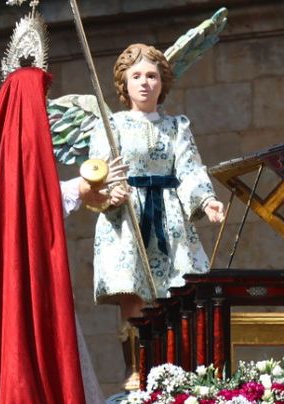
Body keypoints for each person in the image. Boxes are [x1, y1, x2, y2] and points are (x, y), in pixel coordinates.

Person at [82, 42, 225, 337]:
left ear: (162, 82)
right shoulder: (112, 126)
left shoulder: (176, 127)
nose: (145, 83)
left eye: (151, 76)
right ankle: (136, 370)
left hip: (170, 218)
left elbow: (188, 168)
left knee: (177, 296)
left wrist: (207, 199)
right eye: (136, 76)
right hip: (127, 220)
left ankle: (173, 372)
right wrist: (110, 193)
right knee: (133, 296)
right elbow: (100, 171)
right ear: (124, 82)